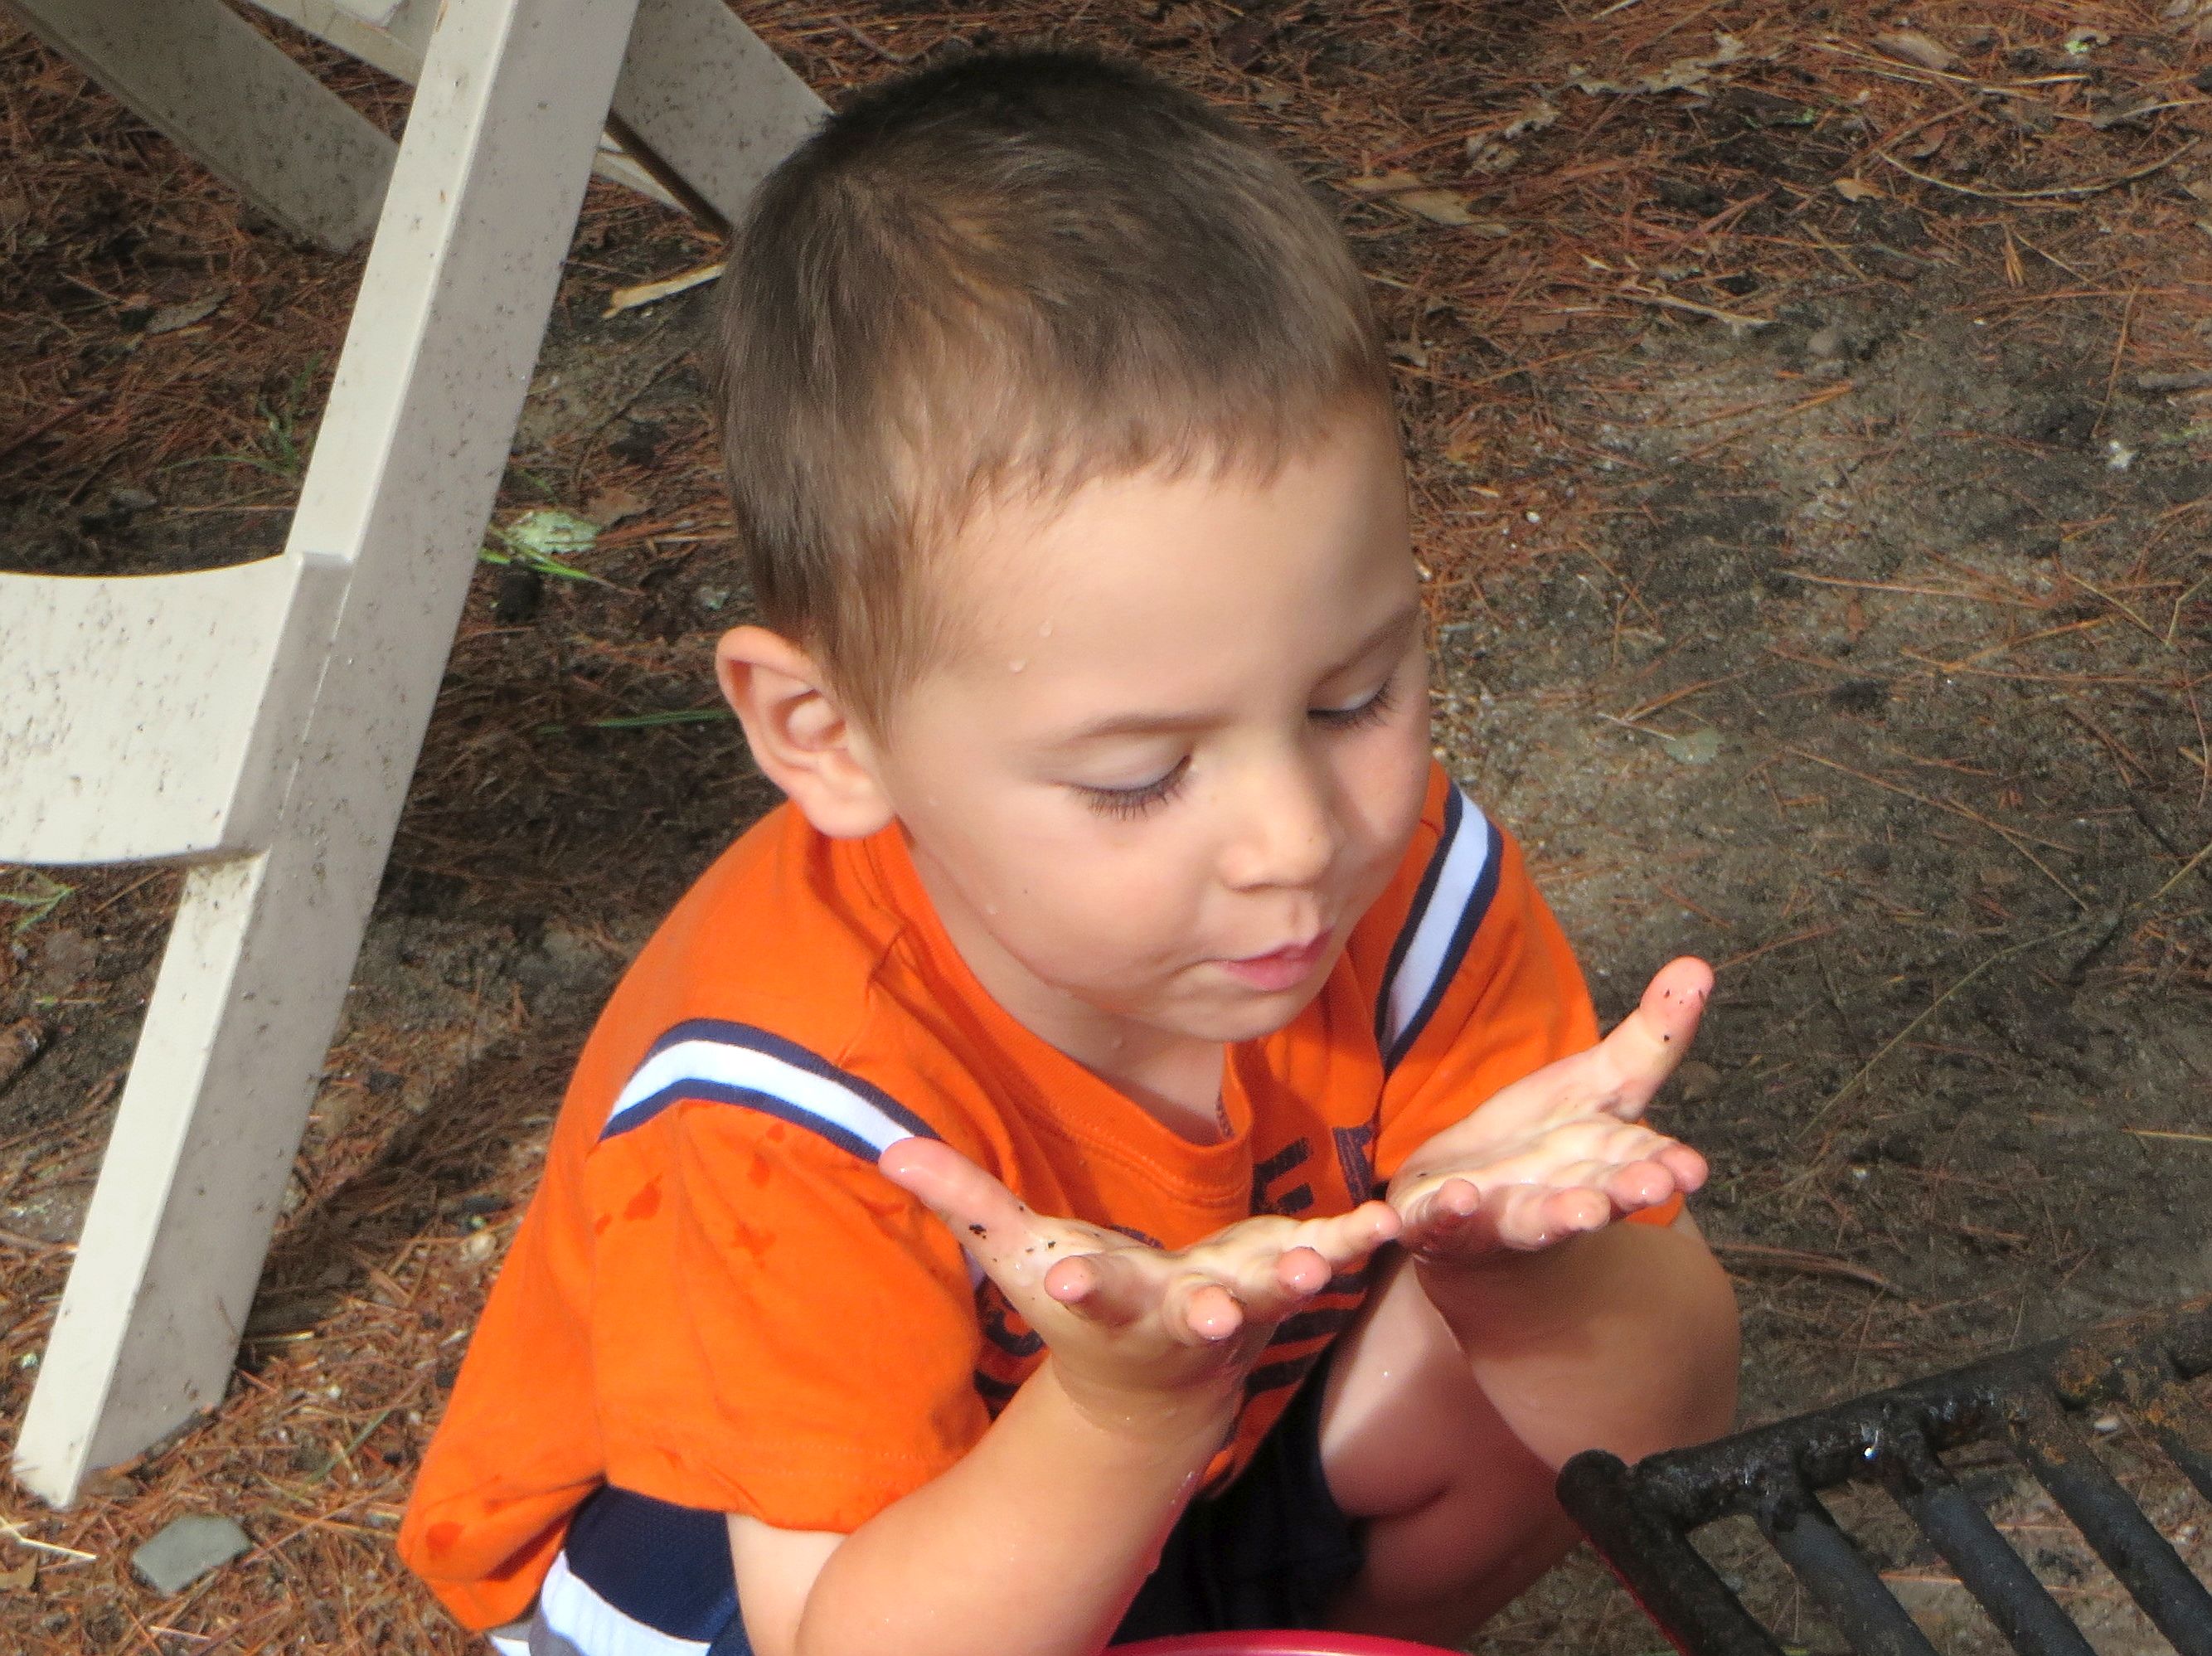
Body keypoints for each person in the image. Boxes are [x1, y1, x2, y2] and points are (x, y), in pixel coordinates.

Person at [399, 44, 1740, 1656]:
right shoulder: (780, 1112)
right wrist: (1118, 1420)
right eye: (1138, 776)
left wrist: (1529, 1274)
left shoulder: (1408, 896)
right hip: (789, 1581)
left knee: (1490, 1388)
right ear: (829, 734)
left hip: (1183, 1439)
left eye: (1352, 697)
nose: (1295, 839)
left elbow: (1652, 1440)